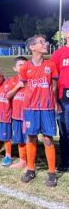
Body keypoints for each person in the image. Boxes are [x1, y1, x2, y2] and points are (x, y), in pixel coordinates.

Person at [20, 35, 59, 187]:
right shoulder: (25, 68)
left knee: (48, 138)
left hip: (47, 107)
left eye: (45, 42)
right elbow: (25, 85)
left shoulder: (51, 65)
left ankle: (51, 172)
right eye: (41, 42)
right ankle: (30, 169)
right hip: (30, 108)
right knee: (31, 137)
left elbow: (54, 86)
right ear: (32, 47)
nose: (45, 44)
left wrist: (54, 102)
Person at [50, 21, 69, 172]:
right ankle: (65, 162)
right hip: (64, 100)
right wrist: (55, 101)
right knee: (65, 133)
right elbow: (52, 79)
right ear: (65, 33)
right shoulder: (58, 54)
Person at [6, 56, 28, 169]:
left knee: (29, 139)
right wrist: (18, 86)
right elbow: (8, 95)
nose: (23, 67)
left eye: (25, 64)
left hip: (29, 116)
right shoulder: (12, 81)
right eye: (20, 65)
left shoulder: (32, 79)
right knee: (20, 139)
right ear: (15, 68)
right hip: (16, 115)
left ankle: (31, 162)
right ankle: (22, 161)